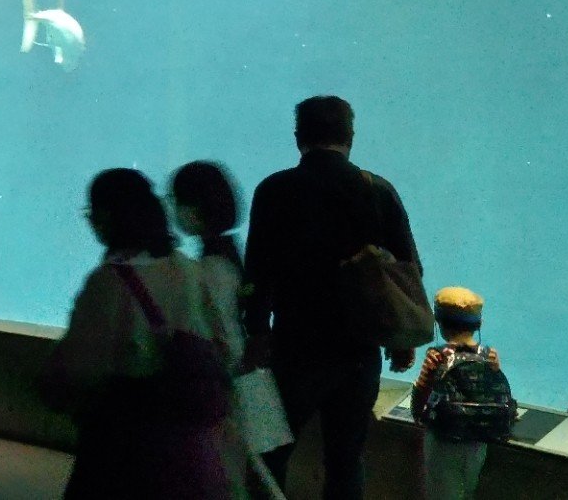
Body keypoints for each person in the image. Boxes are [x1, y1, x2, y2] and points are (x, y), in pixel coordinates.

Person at [244, 95, 422, 500]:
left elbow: (258, 271)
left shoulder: (274, 190)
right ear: (350, 136)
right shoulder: (378, 190)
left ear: (297, 137)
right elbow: (407, 269)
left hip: (293, 348)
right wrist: (401, 339)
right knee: (346, 460)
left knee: (272, 453)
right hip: (358, 351)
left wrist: (255, 333)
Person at [42, 168, 238, 499]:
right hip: (193, 449)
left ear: (106, 217)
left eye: (93, 213)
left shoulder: (108, 283)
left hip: (125, 444)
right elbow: (224, 345)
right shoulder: (190, 270)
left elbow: (78, 368)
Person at [173, 160, 277, 498]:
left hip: (228, 391)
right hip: (242, 385)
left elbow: (223, 337)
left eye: (178, 201)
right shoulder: (226, 257)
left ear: (196, 208)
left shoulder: (211, 268)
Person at [412, 288, 513, 500]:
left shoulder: (437, 355)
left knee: (441, 490)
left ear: (439, 322)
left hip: (444, 438)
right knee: (468, 488)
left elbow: (422, 388)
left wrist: (417, 413)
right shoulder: (490, 355)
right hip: (479, 439)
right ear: (479, 324)